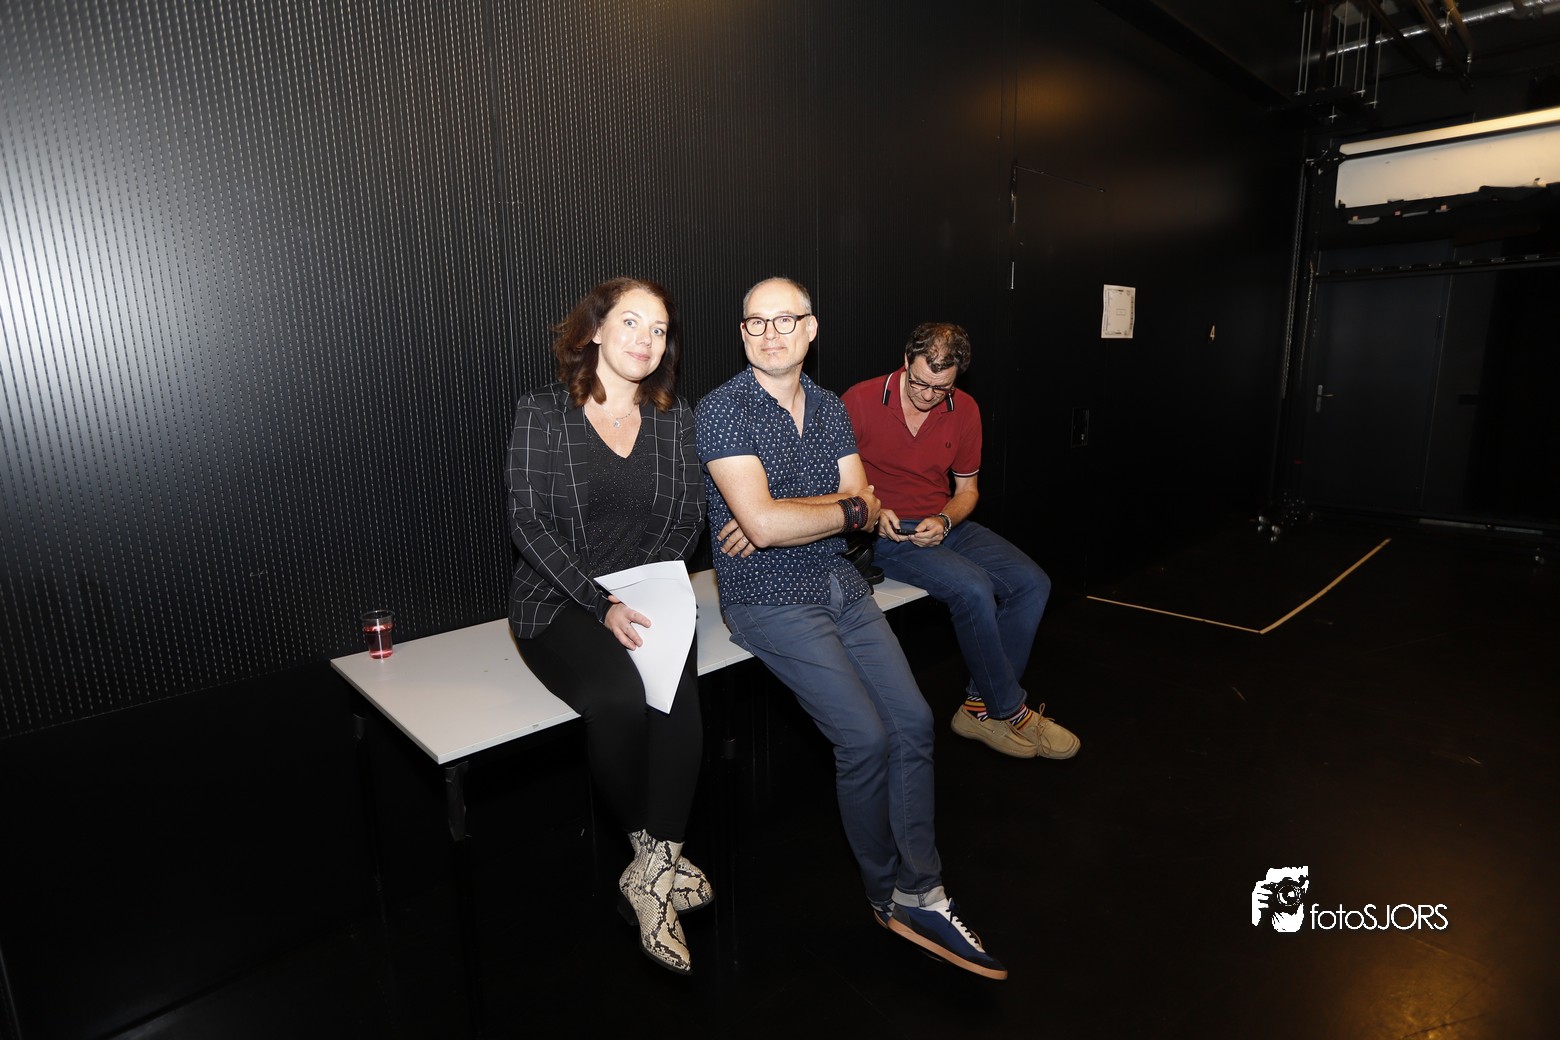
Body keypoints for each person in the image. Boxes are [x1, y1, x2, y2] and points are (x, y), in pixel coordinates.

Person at [695, 277, 1007, 981]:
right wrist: (814, 512)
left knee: (914, 724)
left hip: (839, 582)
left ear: (811, 329)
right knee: (864, 738)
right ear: (742, 333)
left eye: (786, 320)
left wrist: (793, 512)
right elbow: (771, 525)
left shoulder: (831, 406)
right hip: (768, 597)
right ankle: (886, 893)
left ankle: (924, 890)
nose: (771, 333)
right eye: (756, 322)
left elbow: (859, 502)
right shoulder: (722, 410)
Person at [506, 277, 708, 975]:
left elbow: (688, 516)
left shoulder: (676, 417)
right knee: (619, 700)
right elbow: (528, 523)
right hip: (559, 601)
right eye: (630, 322)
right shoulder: (541, 413)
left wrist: (652, 586)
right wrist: (601, 603)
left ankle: (650, 874)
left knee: (679, 701)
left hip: (648, 591)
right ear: (594, 329)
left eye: (658, 329)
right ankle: (657, 858)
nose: (645, 340)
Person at [842, 322, 1080, 761]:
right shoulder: (859, 399)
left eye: (941, 388)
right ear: (906, 360)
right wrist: (871, 512)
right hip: (884, 529)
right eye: (919, 382)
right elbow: (830, 479)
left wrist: (945, 519)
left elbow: (967, 491)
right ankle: (1009, 709)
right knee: (972, 588)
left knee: (1032, 583)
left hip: (942, 521)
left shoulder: (964, 408)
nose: (927, 395)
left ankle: (977, 707)